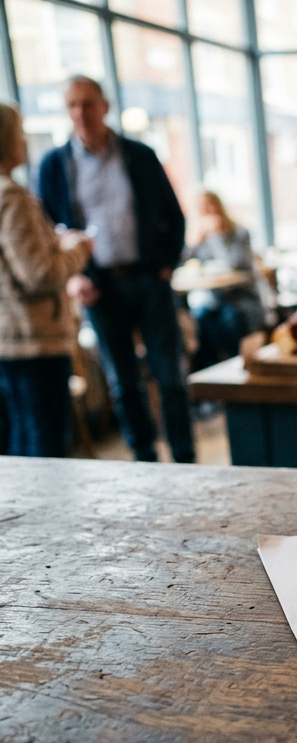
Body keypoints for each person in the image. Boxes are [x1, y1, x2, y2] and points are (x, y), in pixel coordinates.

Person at [37, 75, 194, 464]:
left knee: (170, 380)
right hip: (99, 287)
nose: (81, 113)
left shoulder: (139, 155)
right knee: (124, 385)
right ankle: (145, 462)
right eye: (72, 105)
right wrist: (74, 278)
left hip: (147, 278)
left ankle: (186, 459)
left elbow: (174, 215)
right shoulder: (55, 166)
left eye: (88, 103)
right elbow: (46, 234)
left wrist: (165, 266)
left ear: (104, 106)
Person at [0, 103, 92, 457]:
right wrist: (78, 249)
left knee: (20, 443)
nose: (23, 140)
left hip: (11, 340)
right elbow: (39, 274)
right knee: (44, 448)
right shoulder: (12, 197)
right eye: (19, 132)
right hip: (33, 340)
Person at [183, 191, 264, 371]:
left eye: (211, 206)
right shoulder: (201, 237)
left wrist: (217, 236)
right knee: (200, 319)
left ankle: (236, 367)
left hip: (241, 295)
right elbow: (182, 260)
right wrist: (193, 242)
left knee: (230, 319)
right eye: (203, 209)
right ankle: (214, 372)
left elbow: (233, 264)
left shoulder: (239, 233)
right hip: (215, 299)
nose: (208, 212)